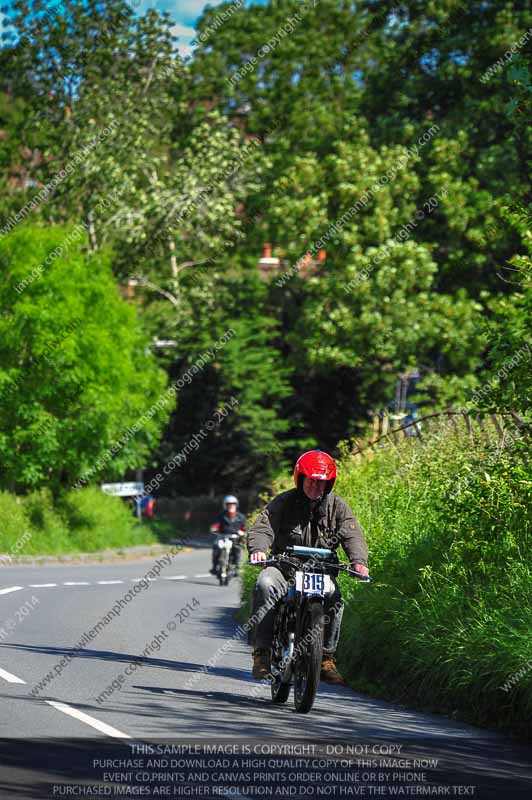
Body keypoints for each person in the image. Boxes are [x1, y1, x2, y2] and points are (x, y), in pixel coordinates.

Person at [247, 450, 369, 685]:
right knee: (264, 585)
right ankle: (262, 654)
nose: (315, 486)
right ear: (300, 478)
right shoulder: (284, 501)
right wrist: (259, 549)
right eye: (311, 480)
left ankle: (325, 658)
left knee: (335, 596)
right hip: (284, 568)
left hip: (320, 571)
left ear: (329, 482)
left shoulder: (337, 506)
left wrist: (359, 562)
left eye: (321, 482)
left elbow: (353, 534)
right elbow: (263, 527)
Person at [209, 495, 247, 575]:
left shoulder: (241, 517)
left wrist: (242, 532)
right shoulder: (221, 516)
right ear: (225, 505)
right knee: (216, 546)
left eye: (233, 504)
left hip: (236, 537)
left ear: (236, 505)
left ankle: (237, 567)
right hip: (223, 536)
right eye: (229, 504)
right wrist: (214, 528)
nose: (231, 506)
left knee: (237, 548)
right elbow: (216, 525)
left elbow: (245, 527)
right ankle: (215, 567)